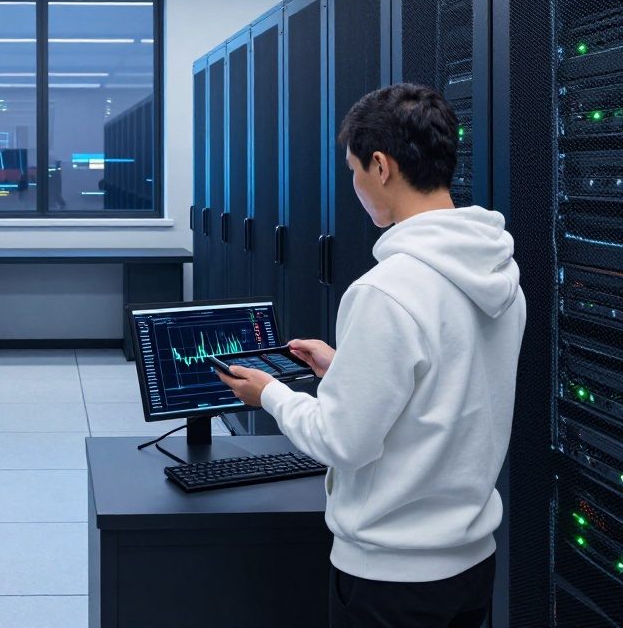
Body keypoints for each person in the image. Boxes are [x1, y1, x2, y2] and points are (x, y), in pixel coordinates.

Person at [217, 83, 526, 628]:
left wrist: (271, 395)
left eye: (354, 170)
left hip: (391, 580)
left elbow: (343, 442)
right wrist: (347, 368)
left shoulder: (386, 292)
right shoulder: (499, 276)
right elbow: (451, 391)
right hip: (472, 565)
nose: (354, 184)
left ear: (380, 166)